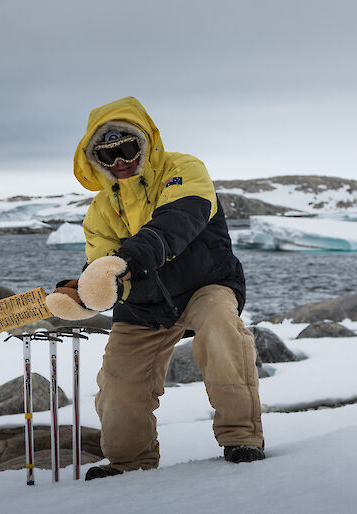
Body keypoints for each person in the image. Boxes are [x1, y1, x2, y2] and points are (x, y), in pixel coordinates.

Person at [46, 97, 264, 480]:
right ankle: (130, 463)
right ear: (95, 160)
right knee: (118, 379)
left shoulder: (184, 169)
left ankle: (241, 438)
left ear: (145, 142)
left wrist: (126, 263)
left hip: (205, 283)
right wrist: (84, 292)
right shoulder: (99, 212)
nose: (120, 162)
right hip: (145, 303)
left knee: (220, 329)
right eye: (107, 156)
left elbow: (178, 220)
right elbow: (102, 267)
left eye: (127, 148)